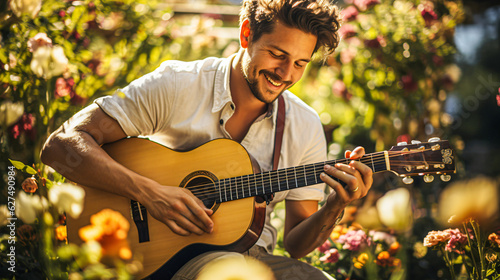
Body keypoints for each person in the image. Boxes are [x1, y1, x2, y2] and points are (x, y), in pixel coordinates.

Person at [40, 0, 373, 279]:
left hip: (253, 261)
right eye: (278, 54)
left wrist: (335, 204)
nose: (286, 74)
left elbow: (297, 245)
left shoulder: (304, 125)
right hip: (161, 260)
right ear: (246, 35)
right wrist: (151, 194)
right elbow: (60, 146)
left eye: (300, 63)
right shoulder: (177, 85)